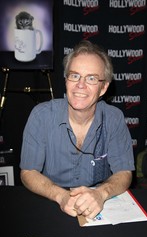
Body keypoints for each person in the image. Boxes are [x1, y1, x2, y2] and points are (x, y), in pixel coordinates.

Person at [20, 40, 135, 219]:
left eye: (91, 78)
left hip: (98, 203)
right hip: (51, 198)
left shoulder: (114, 118)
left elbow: (124, 172)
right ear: (66, 80)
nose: (80, 85)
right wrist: (61, 196)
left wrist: (101, 193)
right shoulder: (41, 115)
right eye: (74, 76)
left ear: (103, 87)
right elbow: (28, 172)